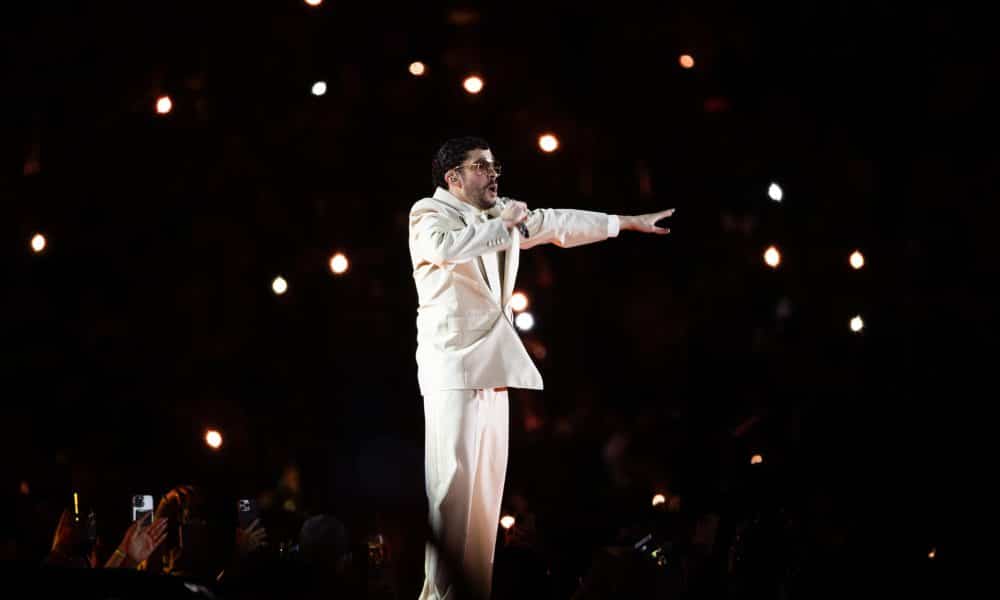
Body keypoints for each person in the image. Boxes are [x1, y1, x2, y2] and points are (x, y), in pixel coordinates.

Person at [409, 136, 675, 599]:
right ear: (453, 178)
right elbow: (448, 247)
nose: (493, 175)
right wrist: (503, 223)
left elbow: (555, 224)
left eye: (495, 167)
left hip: (492, 366)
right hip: (452, 367)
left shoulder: (500, 213)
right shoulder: (427, 214)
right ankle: (438, 595)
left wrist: (623, 223)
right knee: (451, 491)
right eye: (481, 167)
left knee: (487, 493)